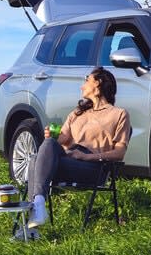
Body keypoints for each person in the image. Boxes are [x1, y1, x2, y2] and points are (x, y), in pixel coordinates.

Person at [25, 67, 131, 235]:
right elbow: (62, 139)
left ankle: (33, 221)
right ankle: (37, 211)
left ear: (98, 83)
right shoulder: (77, 113)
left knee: (37, 160)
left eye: (86, 80)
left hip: (93, 167)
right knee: (37, 156)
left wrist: (86, 157)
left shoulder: (118, 114)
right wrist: (53, 135)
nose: (82, 86)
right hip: (69, 160)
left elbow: (119, 153)